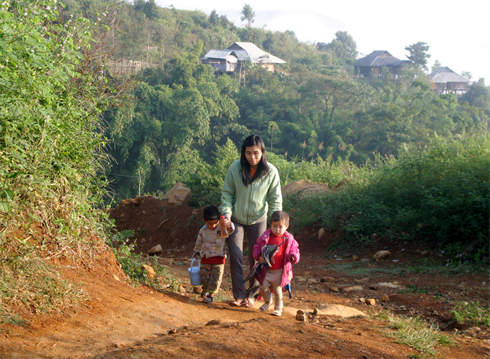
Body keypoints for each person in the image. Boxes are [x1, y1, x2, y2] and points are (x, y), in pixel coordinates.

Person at [221, 134, 282, 308]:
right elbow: (227, 194)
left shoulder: (271, 172)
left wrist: (277, 223)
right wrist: (226, 215)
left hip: (259, 219)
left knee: (257, 258)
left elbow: (275, 199)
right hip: (236, 220)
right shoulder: (235, 168)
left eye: (256, 153)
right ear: (243, 153)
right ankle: (239, 295)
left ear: (262, 152)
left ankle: (252, 296)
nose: (252, 157)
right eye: (248, 153)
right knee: (236, 254)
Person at [253, 211, 300, 317]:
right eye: (274, 226)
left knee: (277, 290)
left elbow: (295, 250)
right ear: (271, 225)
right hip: (267, 269)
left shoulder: (289, 239)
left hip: (280, 271)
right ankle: (267, 302)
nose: (277, 229)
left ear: (286, 226)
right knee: (263, 286)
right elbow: (257, 246)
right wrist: (258, 256)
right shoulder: (266, 237)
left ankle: (278, 308)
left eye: (280, 227)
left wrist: (293, 256)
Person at [192, 205, 234, 304]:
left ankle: (210, 296)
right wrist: (196, 252)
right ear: (204, 221)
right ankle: (205, 290)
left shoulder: (222, 228)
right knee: (204, 276)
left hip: (219, 258)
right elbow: (198, 242)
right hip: (206, 257)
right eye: (210, 224)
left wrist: (228, 223)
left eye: (216, 223)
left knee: (216, 278)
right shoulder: (203, 231)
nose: (213, 226)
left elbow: (231, 229)